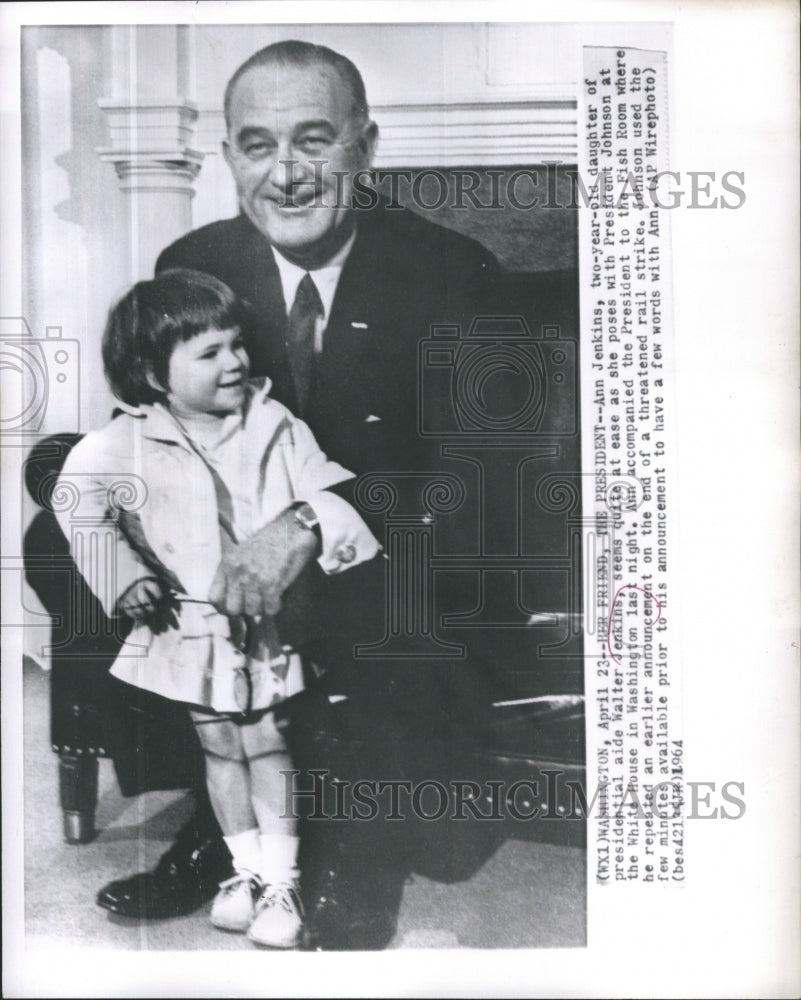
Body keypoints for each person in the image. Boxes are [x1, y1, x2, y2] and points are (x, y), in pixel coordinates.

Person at [95, 39, 509, 949]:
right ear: (230, 156)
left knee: (380, 574)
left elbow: (474, 476)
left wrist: (309, 523)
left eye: (312, 141)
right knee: (74, 517)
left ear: (364, 148)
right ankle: (226, 819)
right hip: (225, 570)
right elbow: (156, 418)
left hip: (392, 555)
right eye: (256, 144)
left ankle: (355, 849)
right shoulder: (193, 260)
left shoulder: (452, 271)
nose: (284, 174)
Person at [58, 268, 380, 948]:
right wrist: (122, 577)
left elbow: (334, 495)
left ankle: (284, 879)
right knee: (218, 745)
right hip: (186, 627)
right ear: (150, 375)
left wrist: (311, 523)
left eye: (235, 344)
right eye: (209, 353)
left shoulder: (274, 424)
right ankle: (243, 871)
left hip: (264, 624)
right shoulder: (122, 445)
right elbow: (76, 506)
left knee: (267, 740)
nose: (235, 361)